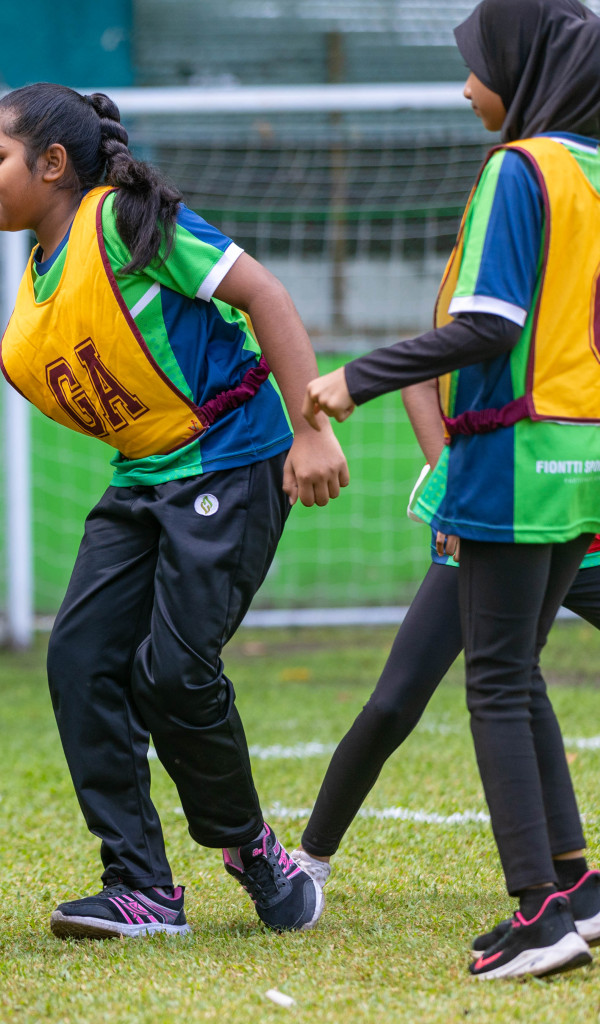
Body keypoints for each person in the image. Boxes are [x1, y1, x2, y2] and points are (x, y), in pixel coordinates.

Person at [0, 83, 349, 940]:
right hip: (145, 478)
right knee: (79, 659)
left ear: (54, 163)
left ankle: (256, 853)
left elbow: (267, 297)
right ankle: (142, 886)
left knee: (174, 673)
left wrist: (311, 431)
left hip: (234, 457)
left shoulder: (125, 223)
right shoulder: (34, 292)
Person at [305, 0, 600, 980]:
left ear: (519, 69)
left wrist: (357, 376)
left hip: (514, 460)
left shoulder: (522, 169)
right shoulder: (595, 173)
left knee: (498, 683)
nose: (465, 84)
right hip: (580, 456)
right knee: (517, 670)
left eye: (474, 64)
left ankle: (540, 914)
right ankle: (569, 889)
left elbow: (487, 325)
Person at [294, 378, 600, 963]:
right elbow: (424, 378)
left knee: (512, 679)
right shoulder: (511, 300)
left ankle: (571, 889)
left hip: (580, 527)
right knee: (398, 699)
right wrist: (455, 490)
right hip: (500, 520)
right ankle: (310, 861)